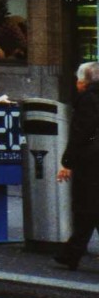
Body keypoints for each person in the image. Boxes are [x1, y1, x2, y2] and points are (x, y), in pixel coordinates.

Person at [54, 61, 99, 270]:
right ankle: (71, 253)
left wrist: (67, 162)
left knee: (85, 206)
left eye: (79, 79)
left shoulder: (88, 99)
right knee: (92, 208)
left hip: (90, 161)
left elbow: (81, 132)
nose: (77, 83)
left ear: (85, 81)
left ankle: (71, 253)